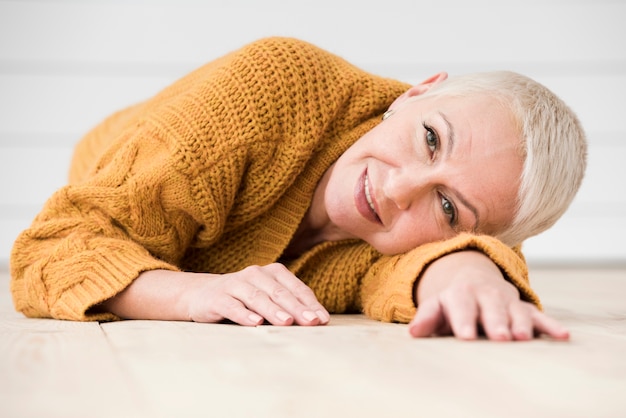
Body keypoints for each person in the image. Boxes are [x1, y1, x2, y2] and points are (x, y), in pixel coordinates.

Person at [10, 37, 587, 341]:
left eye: (446, 206)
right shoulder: (266, 90)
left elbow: (423, 267)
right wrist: (191, 294)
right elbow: (53, 248)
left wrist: (465, 273)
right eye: (431, 140)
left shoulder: (421, 239)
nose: (398, 189)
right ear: (415, 94)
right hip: (121, 174)